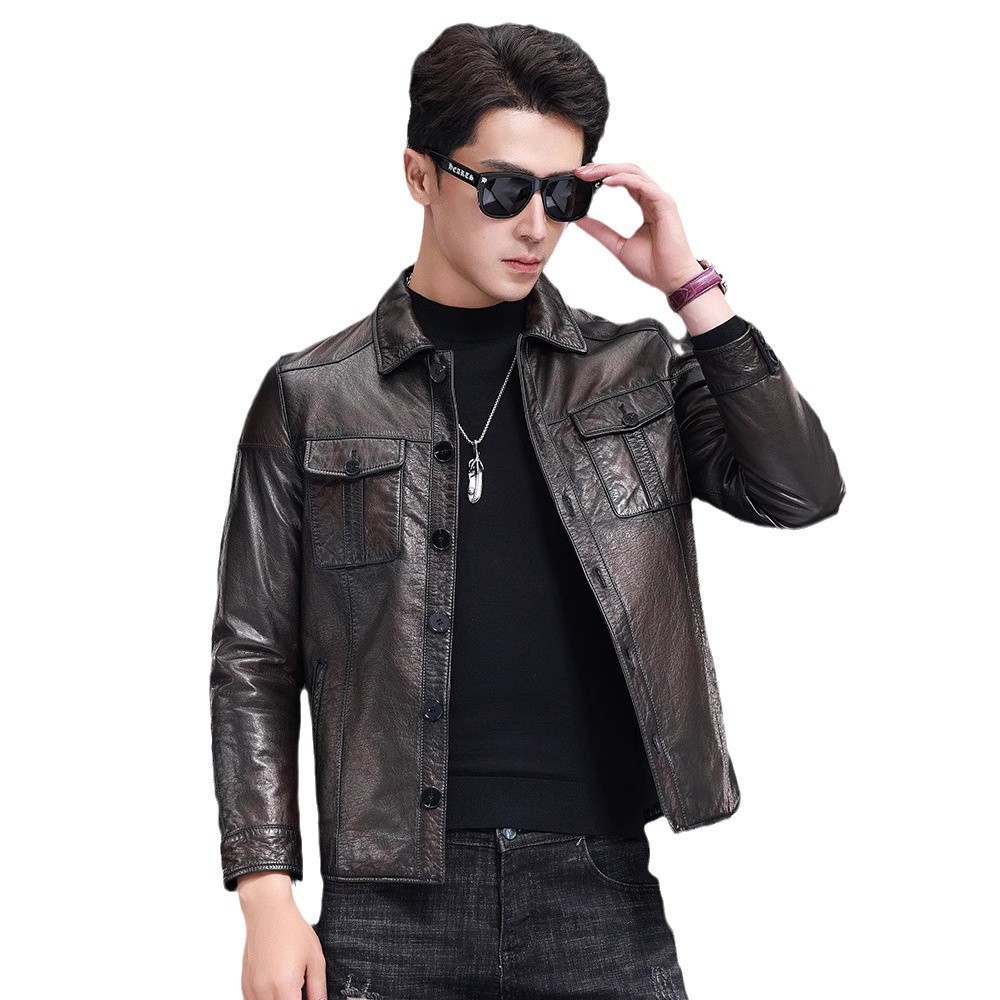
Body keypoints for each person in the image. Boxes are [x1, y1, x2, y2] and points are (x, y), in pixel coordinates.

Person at [209, 21, 846, 1000]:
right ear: (420, 175)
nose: (536, 225)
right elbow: (253, 655)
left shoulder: (632, 370)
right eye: (504, 189)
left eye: (562, 194)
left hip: (599, 889)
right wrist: (266, 897)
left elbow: (799, 491)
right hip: (389, 906)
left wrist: (691, 290)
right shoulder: (312, 396)